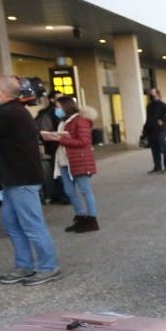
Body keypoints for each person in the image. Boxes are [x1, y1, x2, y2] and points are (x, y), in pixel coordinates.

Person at [0, 76, 63, 286]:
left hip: (21, 179)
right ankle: (25, 265)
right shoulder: (8, 112)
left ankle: (49, 266)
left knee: (32, 225)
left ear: (2, 93)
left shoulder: (10, 113)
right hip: (12, 178)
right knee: (12, 225)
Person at [42, 96, 99, 233]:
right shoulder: (64, 121)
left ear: (65, 106)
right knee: (69, 191)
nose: (56, 110)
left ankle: (92, 220)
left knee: (85, 190)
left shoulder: (80, 121)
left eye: (58, 107)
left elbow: (84, 142)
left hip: (78, 160)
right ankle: (80, 217)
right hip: (64, 161)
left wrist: (60, 139)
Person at [33, 92, 67, 205]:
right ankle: (63, 195)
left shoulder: (46, 113)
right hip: (55, 145)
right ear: (52, 100)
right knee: (60, 171)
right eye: (58, 98)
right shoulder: (49, 113)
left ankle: (58, 194)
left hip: (52, 145)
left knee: (56, 171)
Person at [145, 87, 166, 174]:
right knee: (154, 149)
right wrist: (145, 130)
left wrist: (163, 120)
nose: (151, 93)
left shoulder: (162, 104)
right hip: (151, 130)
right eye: (151, 92)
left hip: (161, 130)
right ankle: (157, 167)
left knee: (163, 148)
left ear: (157, 93)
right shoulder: (149, 105)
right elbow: (148, 118)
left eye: (153, 92)